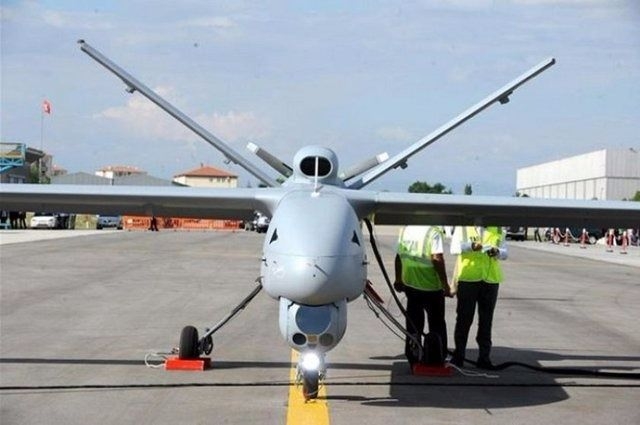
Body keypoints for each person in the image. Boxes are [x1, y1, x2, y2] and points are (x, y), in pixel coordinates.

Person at [449, 226, 507, 369]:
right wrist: (471, 246)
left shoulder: (498, 229)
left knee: (486, 321)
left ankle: (484, 358)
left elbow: (505, 252)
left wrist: (497, 252)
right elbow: (454, 248)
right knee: (464, 319)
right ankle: (459, 355)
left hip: (490, 280)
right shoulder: (463, 228)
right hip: (469, 278)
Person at [394, 225, 450, 365]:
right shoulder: (433, 232)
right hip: (431, 287)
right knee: (437, 325)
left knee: (413, 325)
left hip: (411, 285)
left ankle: (413, 358)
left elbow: (399, 257)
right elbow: (437, 258)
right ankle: (437, 358)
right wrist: (445, 285)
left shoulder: (405, 230)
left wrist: (398, 279)